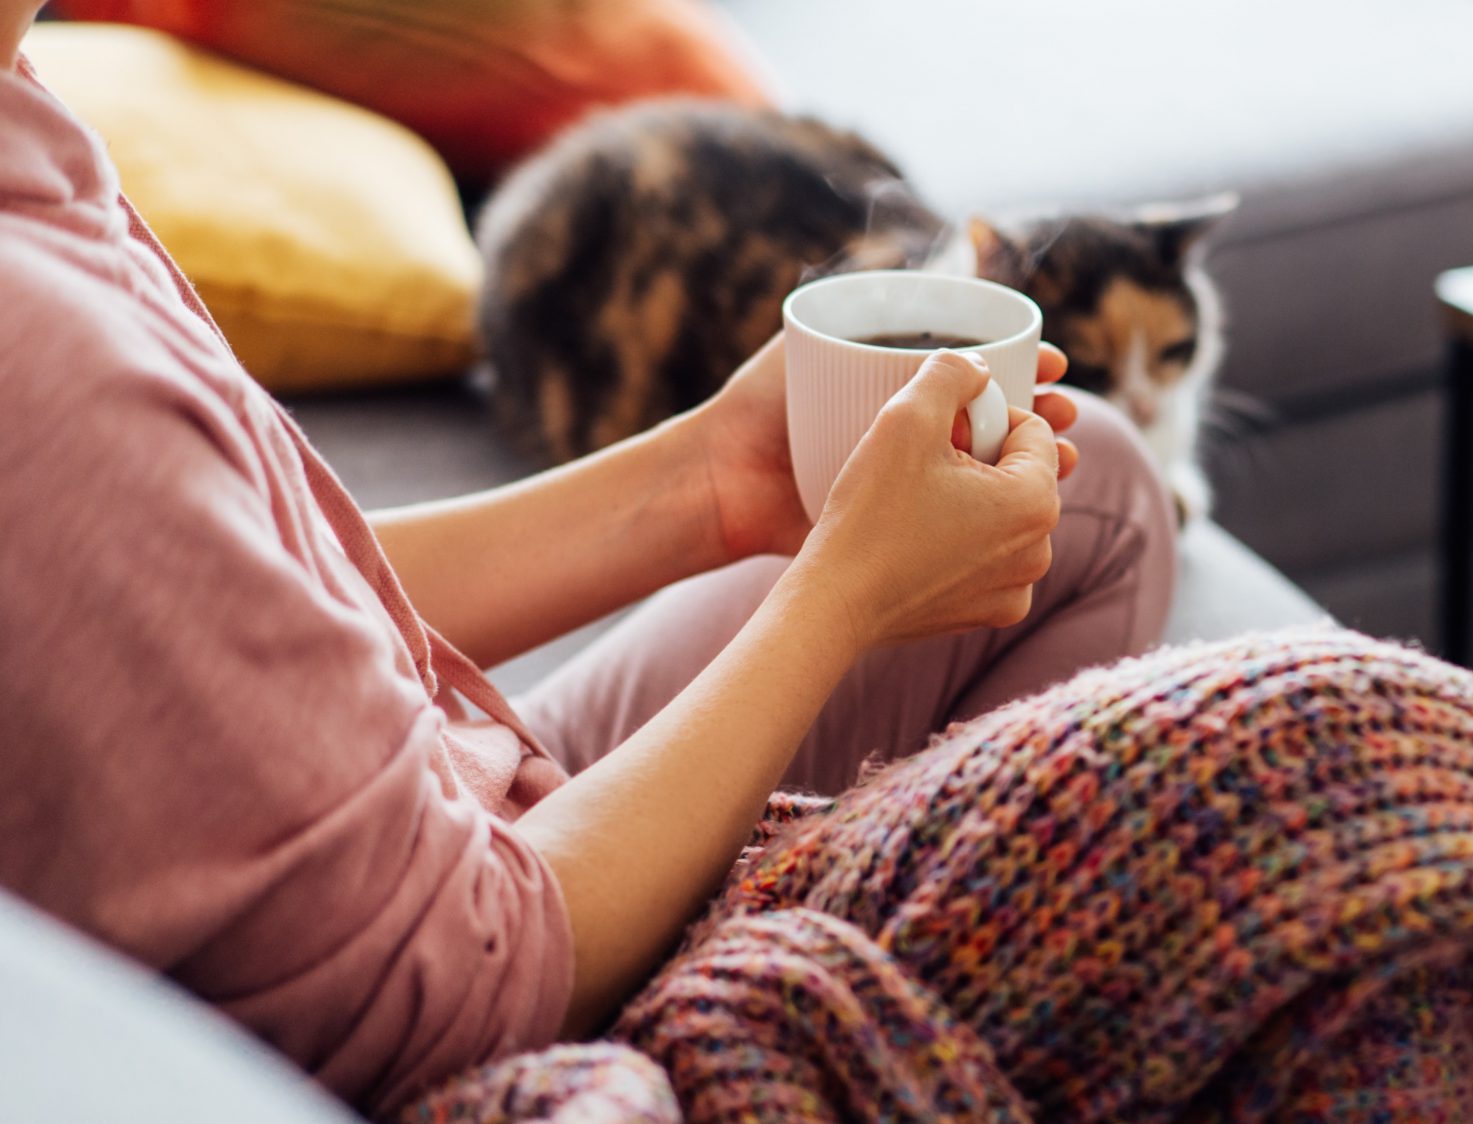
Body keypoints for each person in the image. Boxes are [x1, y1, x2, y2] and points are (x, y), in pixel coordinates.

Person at [0, 5, 1176, 1114]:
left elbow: (219, 595)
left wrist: (702, 485)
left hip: (417, 818)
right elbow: (462, 987)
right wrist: (844, 598)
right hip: (479, 973)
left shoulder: (22, 121)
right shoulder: (46, 360)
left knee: (1091, 488)